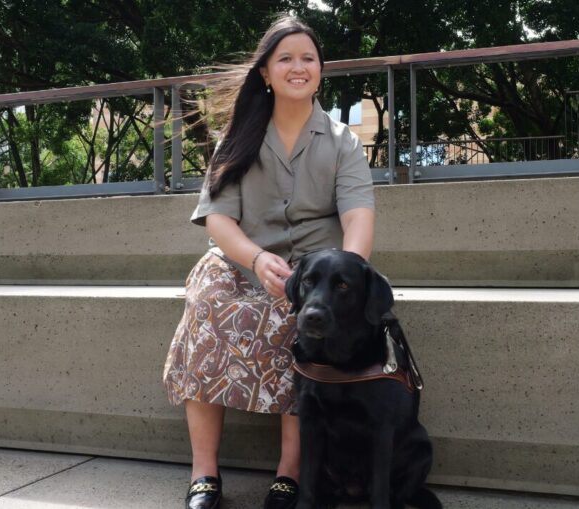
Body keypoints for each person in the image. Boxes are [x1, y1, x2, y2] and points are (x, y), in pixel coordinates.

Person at [162, 14, 375, 509]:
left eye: (309, 58)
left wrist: (344, 278)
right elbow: (217, 219)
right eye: (286, 58)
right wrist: (257, 261)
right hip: (241, 261)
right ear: (265, 71)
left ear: (321, 69)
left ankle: (289, 473)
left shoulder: (343, 142)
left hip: (313, 271)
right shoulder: (237, 136)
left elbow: (359, 218)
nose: (298, 67)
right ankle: (204, 474)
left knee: (304, 322)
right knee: (207, 305)